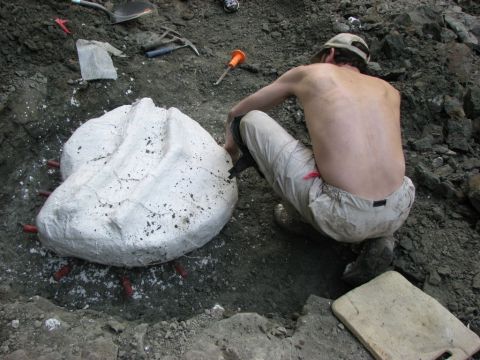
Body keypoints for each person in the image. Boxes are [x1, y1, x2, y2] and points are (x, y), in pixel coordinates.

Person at [223, 33, 415, 286]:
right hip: (399, 204)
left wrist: (230, 151)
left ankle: (304, 220)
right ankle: (380, 234)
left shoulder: (311, 73)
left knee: (249, 121)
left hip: (342, 213)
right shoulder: (389, 91)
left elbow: (238, 110)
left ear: (330, 54)